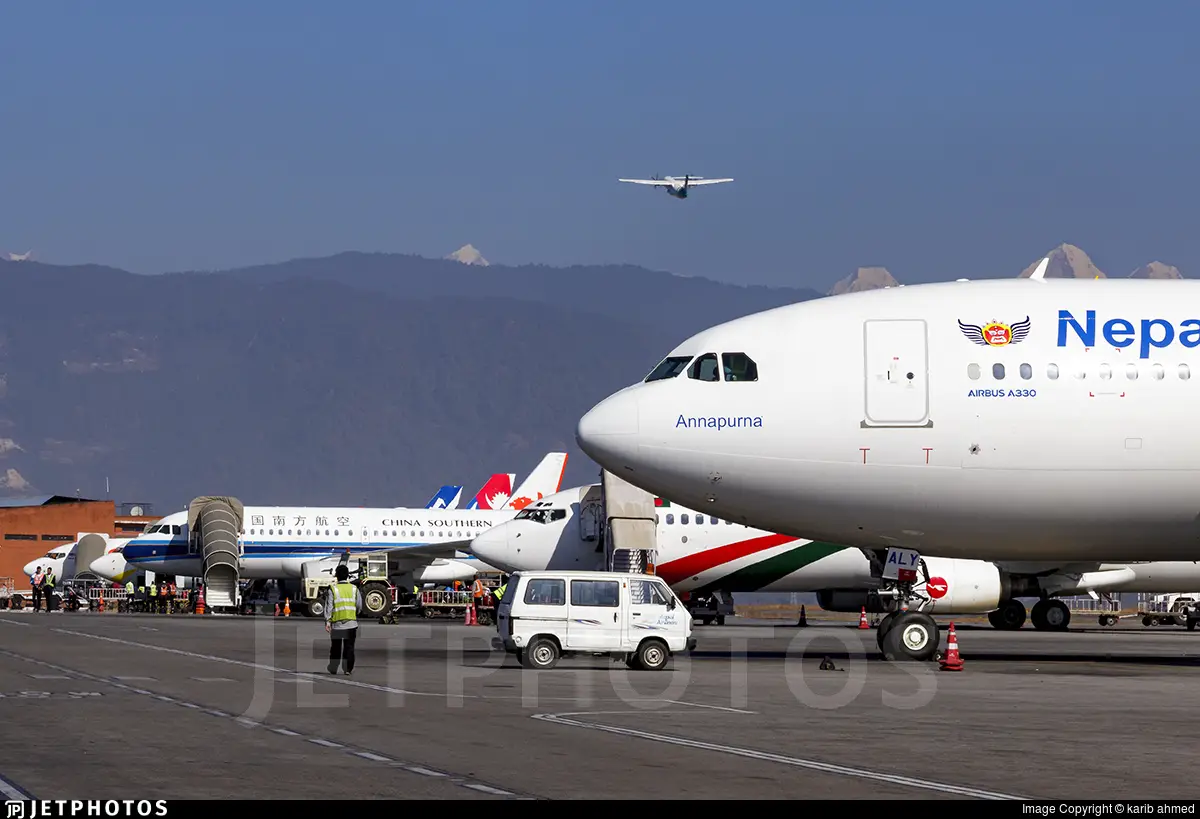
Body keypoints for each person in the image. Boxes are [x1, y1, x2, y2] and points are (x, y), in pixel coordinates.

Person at [325, 565, 361, 675]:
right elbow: (359, 605)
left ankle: (333, 668)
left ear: (337, 576)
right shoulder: (354, 589)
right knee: (349, 647)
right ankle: (347, 669)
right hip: (351, 623)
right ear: (347, 575)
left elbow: (329, 607)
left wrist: (328, 621)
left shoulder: (333, 589)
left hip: (337, 624)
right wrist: (354, 614)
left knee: (336, 647)